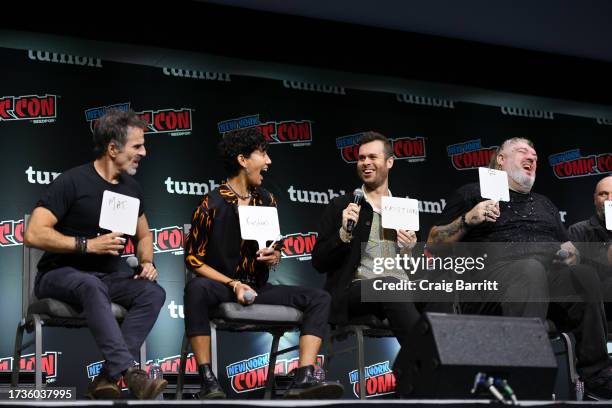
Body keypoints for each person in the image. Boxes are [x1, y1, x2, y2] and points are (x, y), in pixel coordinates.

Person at [427, 137, 612, 399]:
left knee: (584, 275)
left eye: (535, 156)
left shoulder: (544, 203)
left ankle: (597, 376)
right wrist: (469, 219)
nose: (531, 158)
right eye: (522, 151)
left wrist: (571, 254)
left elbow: (569, 246)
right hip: (490, 285)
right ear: (500, 159)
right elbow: (435, 242)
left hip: (544, 283)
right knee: (529, 269)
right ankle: (524, 377)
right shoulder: (472, 192)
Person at [183, 127, 343, 399]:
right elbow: (193, 260)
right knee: (195, 290)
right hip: (223, 287)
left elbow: (276, 247)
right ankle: (207, 379)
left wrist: (274, 255)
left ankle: (304, 377)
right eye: (263, 154)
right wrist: (233, 284)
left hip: (259, 288)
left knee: (319, 298)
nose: (268, 162)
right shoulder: (211, 204)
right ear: (243, 160)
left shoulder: (267, 200)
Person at [23, 109, 167, 399]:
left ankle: (105, 377)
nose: (144, 152)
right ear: (113, 148)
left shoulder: (132, 190)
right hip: (58, 275)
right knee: (91, 284)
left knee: (153, 293)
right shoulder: (72, 181)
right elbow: (33, 233)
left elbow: (144, 235)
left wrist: (148, 261)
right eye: (137, 146)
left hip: (106, 278)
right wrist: (87, 246)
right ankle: (130, 373)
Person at [312, 131, 422, 347]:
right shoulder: (342, 206)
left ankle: (448, 364)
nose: (365, 163)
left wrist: (410, 250)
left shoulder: (404, 209)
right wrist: (344, 234)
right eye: (361, 158)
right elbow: (319, 261)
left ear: (389, 162)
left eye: (372, 157)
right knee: (390, 286)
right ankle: (425, 365)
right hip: (356, 290)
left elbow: (415, 268)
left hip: (400, 289)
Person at [568, 176, 612, 315]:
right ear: (594, 199)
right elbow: (566, 274)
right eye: (603, 194)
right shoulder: (578, 231)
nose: (609, 200)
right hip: (596, 306)